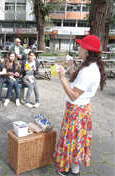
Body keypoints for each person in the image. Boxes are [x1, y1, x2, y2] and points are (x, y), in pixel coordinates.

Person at [54, 35, 106, 176]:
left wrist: (63, 77)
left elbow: (74, 95)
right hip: (82, 110)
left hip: (77, 111)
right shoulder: (90, 66)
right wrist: (71, 70)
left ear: (87, 51)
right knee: (78, 140)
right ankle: (73, 169)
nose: (79, 47)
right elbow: (80, 86)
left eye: (81, 46)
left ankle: (71, 170)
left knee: (73, 139)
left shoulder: (87, 71)